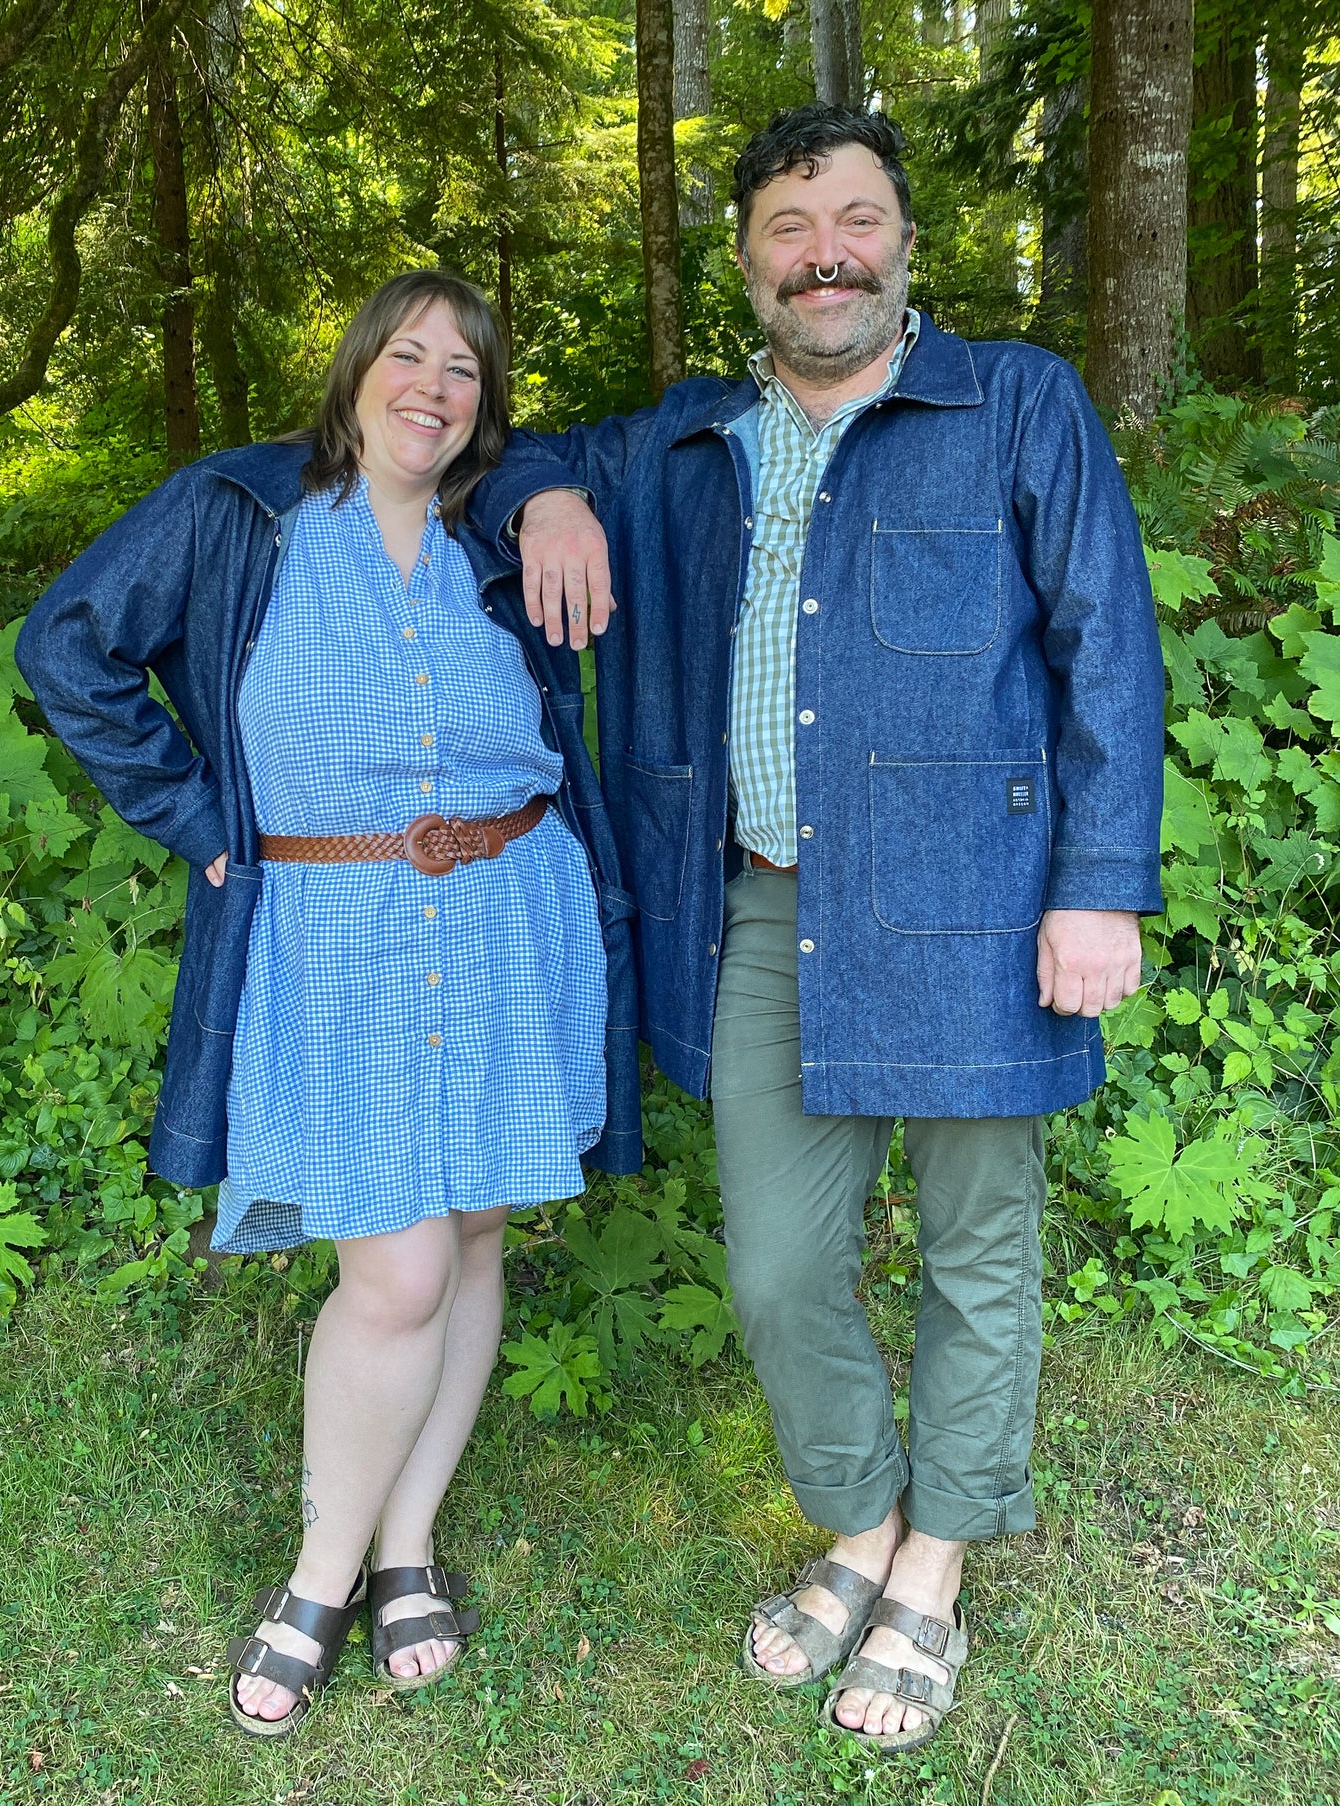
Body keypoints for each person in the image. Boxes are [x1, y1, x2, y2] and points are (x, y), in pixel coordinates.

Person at [472, 106, 1165, 1755]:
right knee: (781, 1266)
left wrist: (1097, 882)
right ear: (747, 263)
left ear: (905, 245)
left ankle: (929, 1561)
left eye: (856, 217)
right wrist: (549, 503)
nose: (825, 250)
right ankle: (857, 1512)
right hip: (763, 911)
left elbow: (1106, 642)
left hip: (980, 908)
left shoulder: (1011, 402)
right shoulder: (688, 442)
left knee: (974, 1249)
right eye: (791, 226)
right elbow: (514, 447)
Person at [16, 270, 639, 1737]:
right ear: (356, 368)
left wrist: (544, 495)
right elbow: (68, 644)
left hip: (511, 911)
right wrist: (187, 809)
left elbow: (592, 485)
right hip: (338, 930)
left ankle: (408, 1538)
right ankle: (319, 1574)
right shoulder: (242, 512)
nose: (432, 384)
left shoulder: (497, 533)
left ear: (488, 409)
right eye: (407, 354)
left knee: (475, 1222)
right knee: (396, 1271)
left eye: (465, 371)